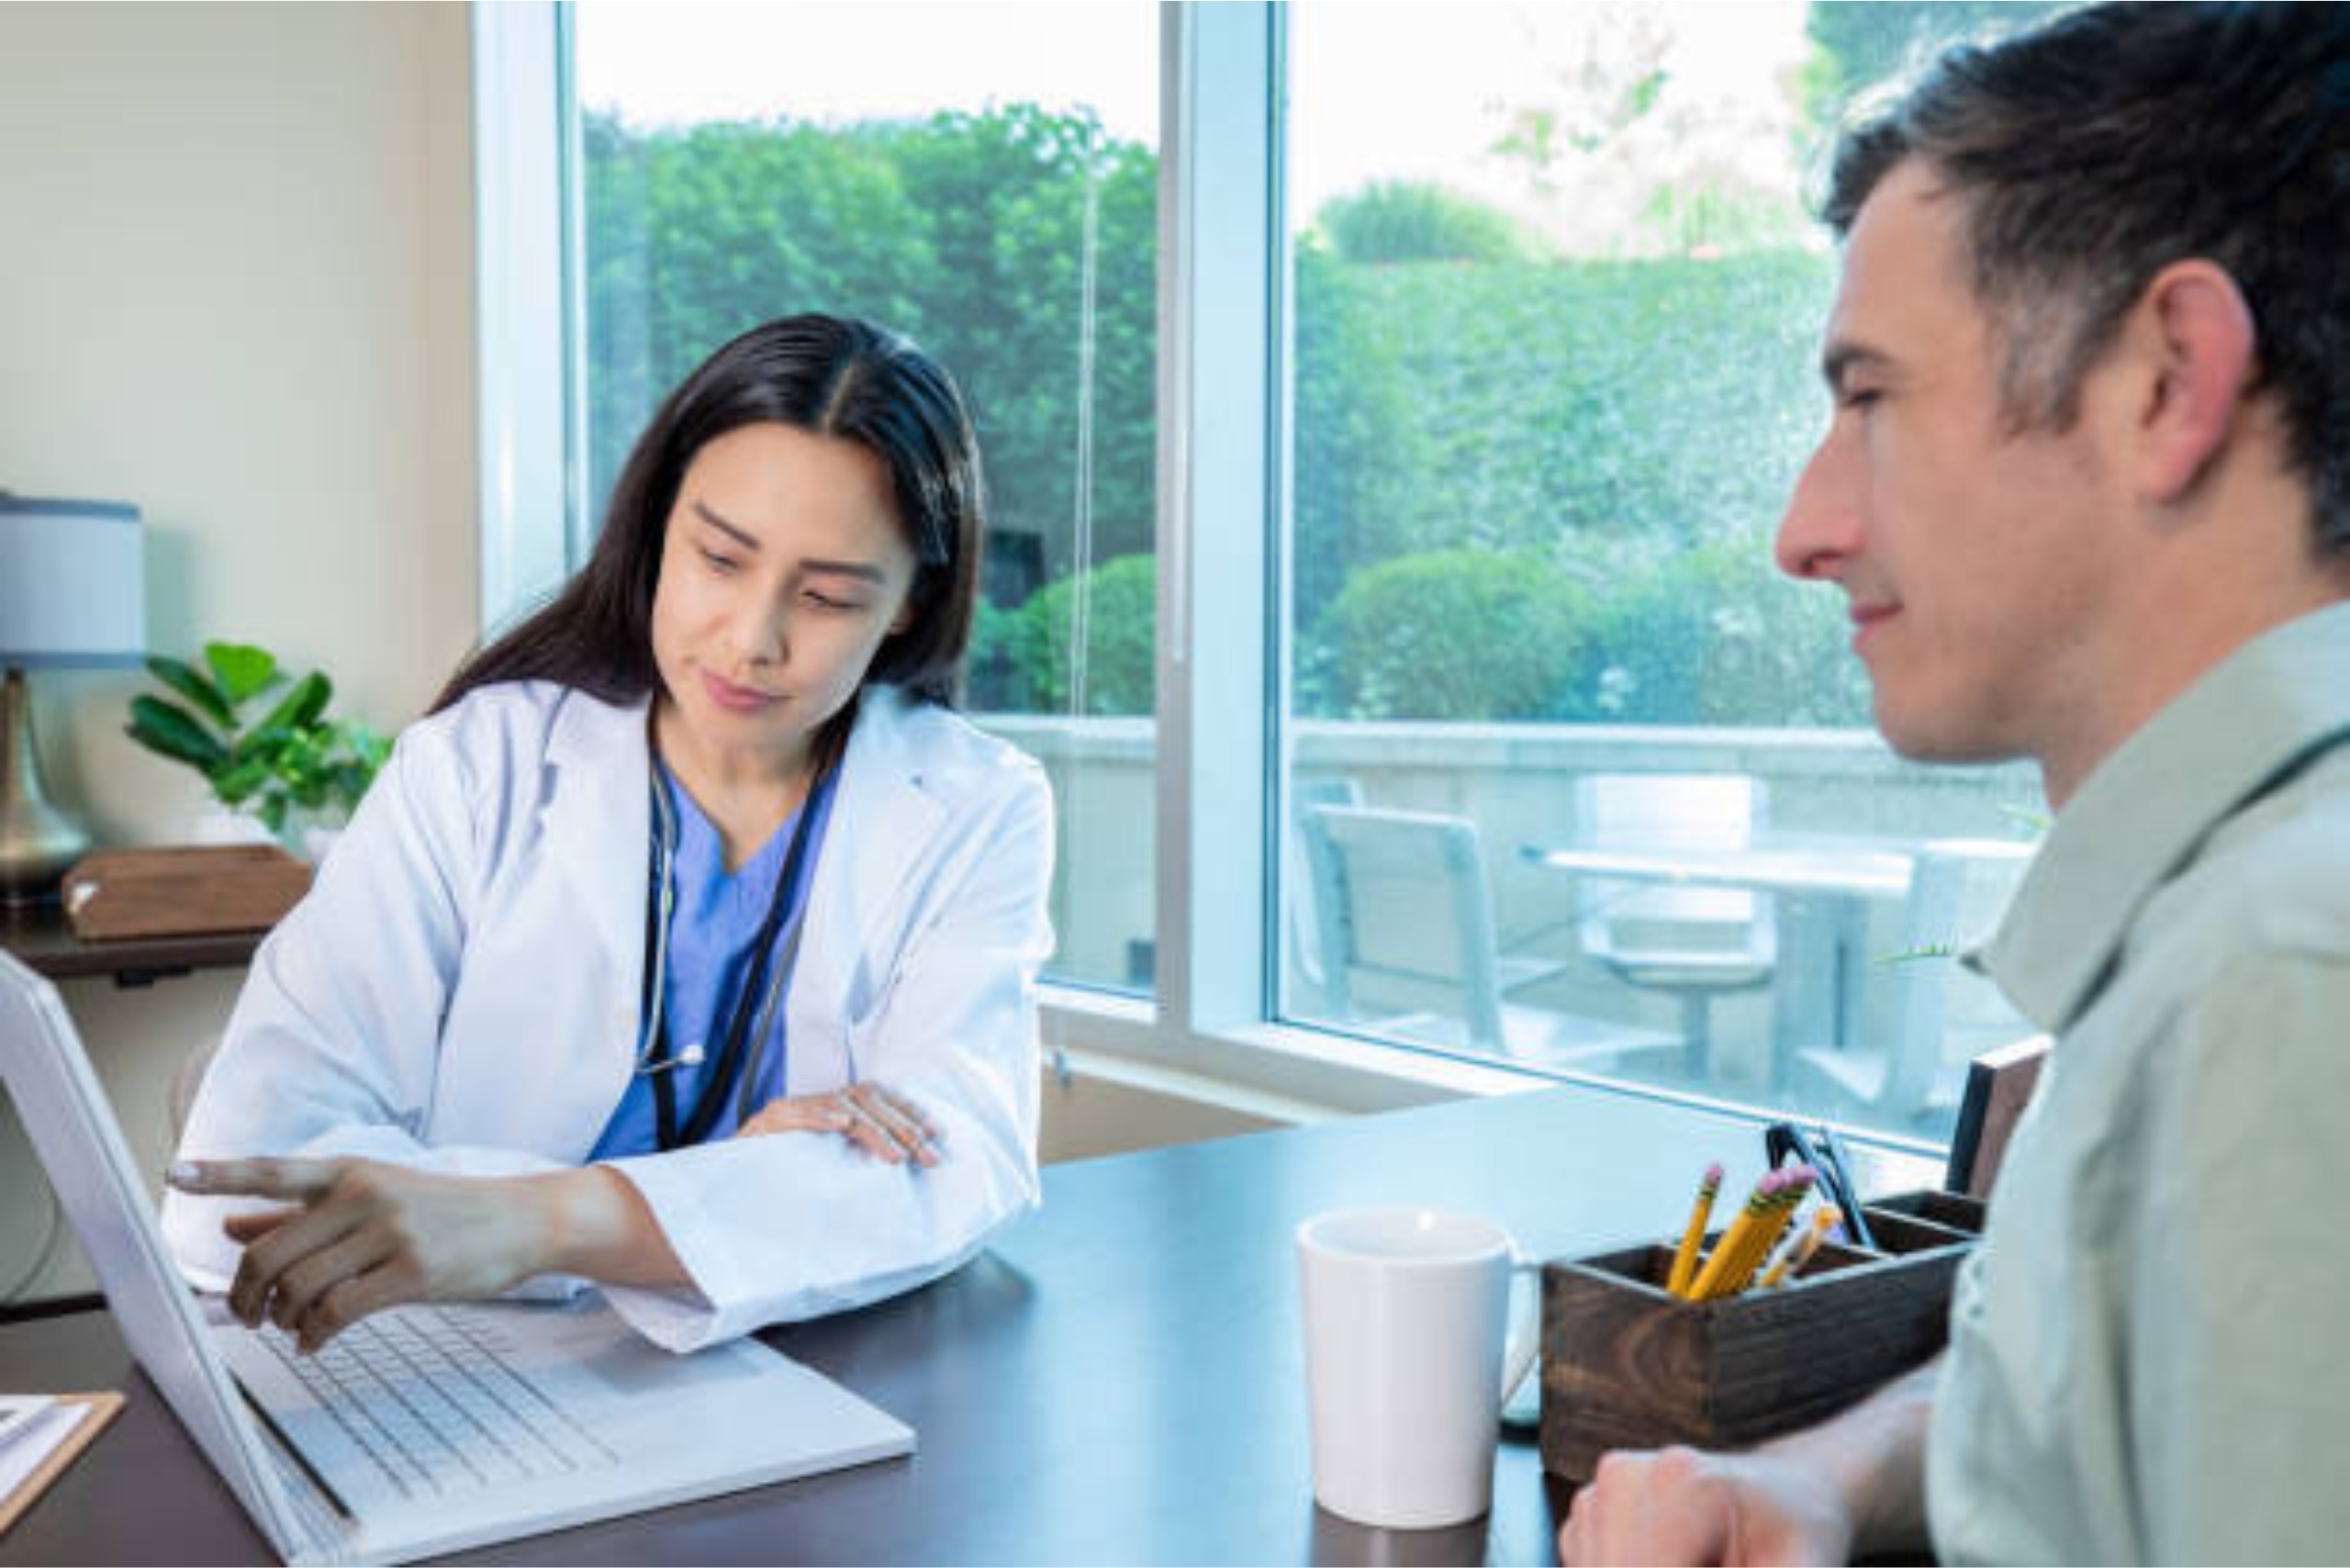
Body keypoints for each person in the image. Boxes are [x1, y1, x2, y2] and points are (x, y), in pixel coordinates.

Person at [1559, 4, 2350, 1562]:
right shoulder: (2225, 932)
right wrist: (1814, 1479)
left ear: (2165, 379)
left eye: (1870, 395)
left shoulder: (2281, 988)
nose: (1804, 526)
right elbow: (2052, 1359)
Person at [162, 313, 1055, 1356]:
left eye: (824, 597)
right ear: (657, 527)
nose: (750, 637)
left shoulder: (977, 804)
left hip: (794, 1386)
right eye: (719, 557)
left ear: (906, 607)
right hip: (458, 1367)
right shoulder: (477, 765)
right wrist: (718, 1196)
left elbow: (959, 1165)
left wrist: (538, 1221)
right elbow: (233, 1187)